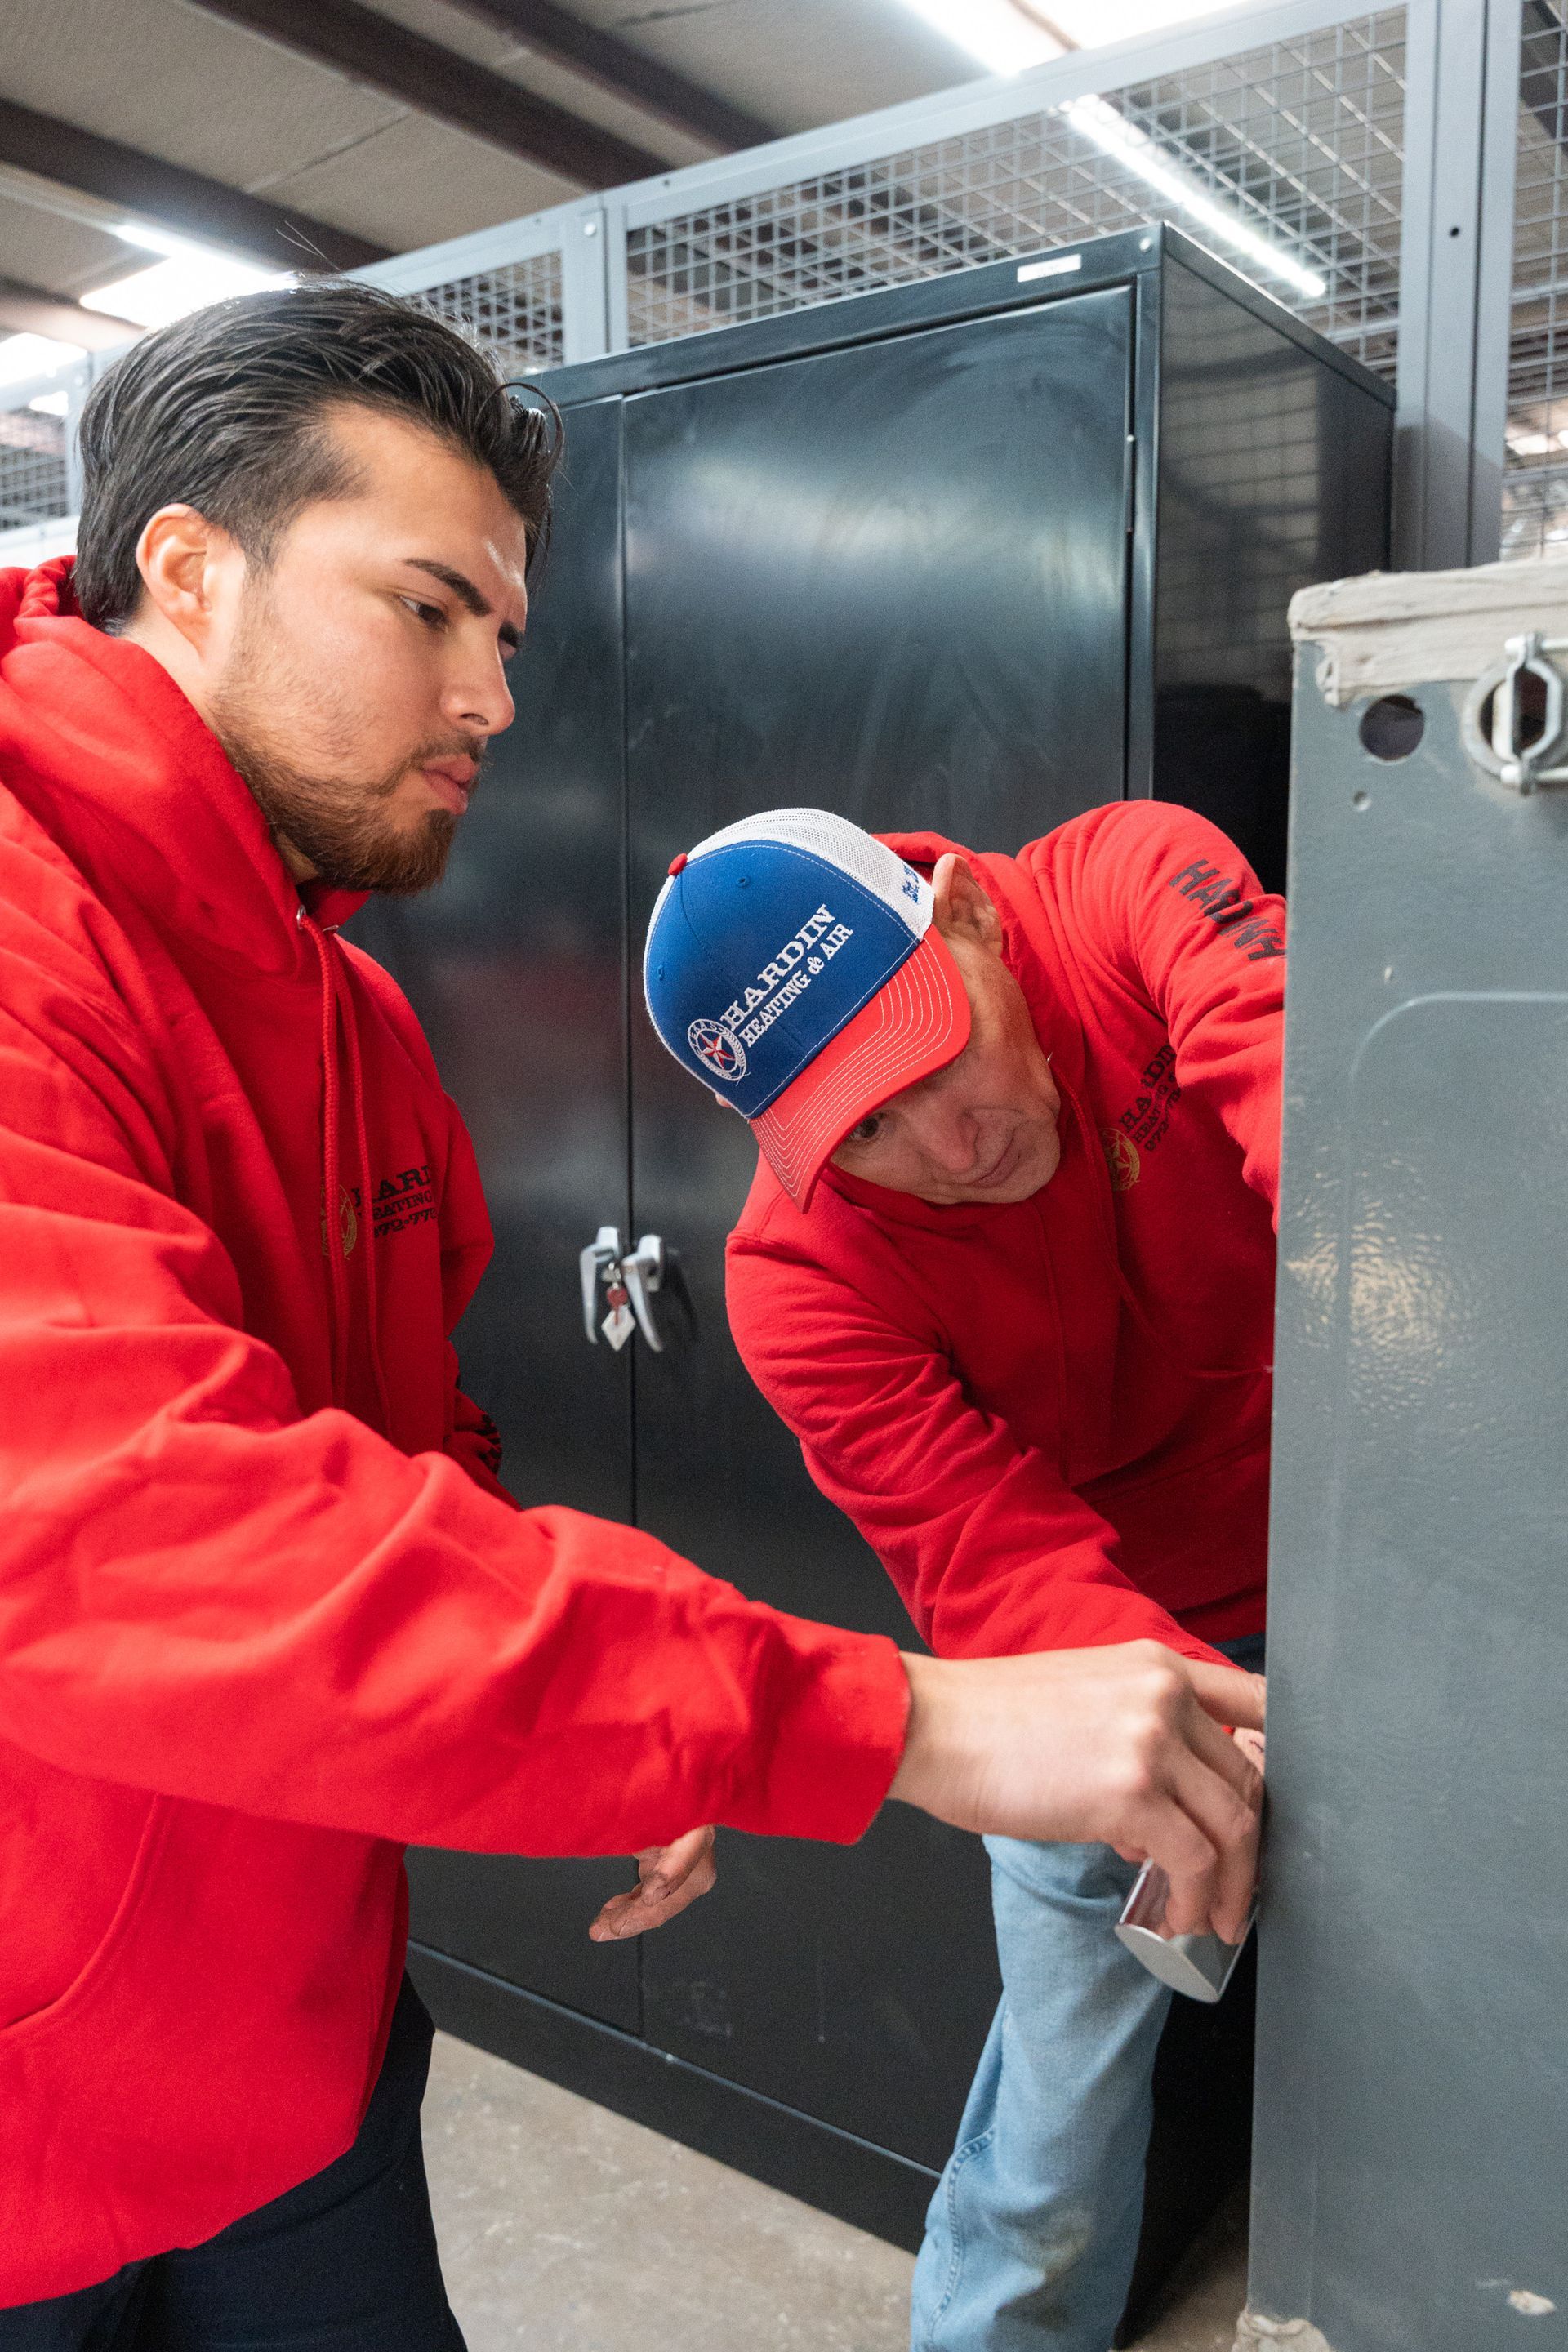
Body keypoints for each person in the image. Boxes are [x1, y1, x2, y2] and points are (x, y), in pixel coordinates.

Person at [0, 285, 1263, 2343]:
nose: (495, 693)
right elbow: (116, 1537)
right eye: (429, 610)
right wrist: (883, 1714)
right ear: (189, 568)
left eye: (504, 629)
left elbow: (420, 1466)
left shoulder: (356, 1017)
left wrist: (618, 1719)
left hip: (303, 2051)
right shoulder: (27, 926)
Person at [644, 801, 1282, 2352]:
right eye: (865, 1128)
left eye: (934, 1061)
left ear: (971, 920)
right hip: (1116, 1665)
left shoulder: (1126, 889)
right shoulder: (797, 1273)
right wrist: (1192, 1743)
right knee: (1049, 2141)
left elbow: (1343, 1110)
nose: (949, 1150)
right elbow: (994, 1566)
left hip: (1379, 1551)